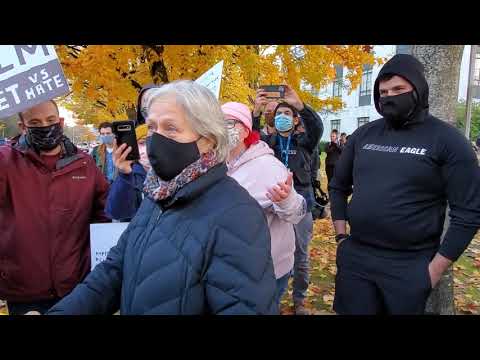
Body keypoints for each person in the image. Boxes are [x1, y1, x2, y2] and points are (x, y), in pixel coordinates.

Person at [46, 80, 277, 315]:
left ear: (208, 140)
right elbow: (112, 272)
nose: (156, 138)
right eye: (153, 127)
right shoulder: (156, 196)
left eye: (171, 128)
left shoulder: (238, 214)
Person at [329, 54, 480, 315]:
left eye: (398, 89)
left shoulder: (449, 141)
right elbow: (338, 187)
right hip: (356, 258)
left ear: (418, 90)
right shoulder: (364, 135)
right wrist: (342, 238)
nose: (389, 96)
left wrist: (433, 271)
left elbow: (468, 213)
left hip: (409, 265)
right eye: (383, 91)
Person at [0, 100, 110, 315]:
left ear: (60, 122)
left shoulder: (85, 164)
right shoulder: (6, 162)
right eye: (35, 122)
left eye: (50, 120)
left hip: (76, 287)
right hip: (24, 290)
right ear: (23, 127)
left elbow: (105, 215)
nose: (45, 126)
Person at [222, 101, 306, 309]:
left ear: (244, 130)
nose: (219, 129)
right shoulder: (215, 163)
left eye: (228, 123)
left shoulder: (268, 166)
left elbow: (297, 213)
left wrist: (286, 200)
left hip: (267, 269)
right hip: (231, 265)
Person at [253, 85, 323, 315]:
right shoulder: (268, 143)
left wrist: (300, 105)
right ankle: (272, 293)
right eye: (279, 114)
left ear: (295, 120)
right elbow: (250, 139)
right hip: (273, 209)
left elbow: (316, 127)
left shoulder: (304, 142)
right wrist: (256, 112)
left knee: (301, 257)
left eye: (287, 114)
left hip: (301, 208)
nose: (282, 117)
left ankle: (300, 299)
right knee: (269, 254)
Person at [105, 124, 150, 222]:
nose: (146, 150)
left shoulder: (171, 172)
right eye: (142, 143)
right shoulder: (130, 174)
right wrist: (124, 175)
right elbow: (115, 212)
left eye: (150, 143)